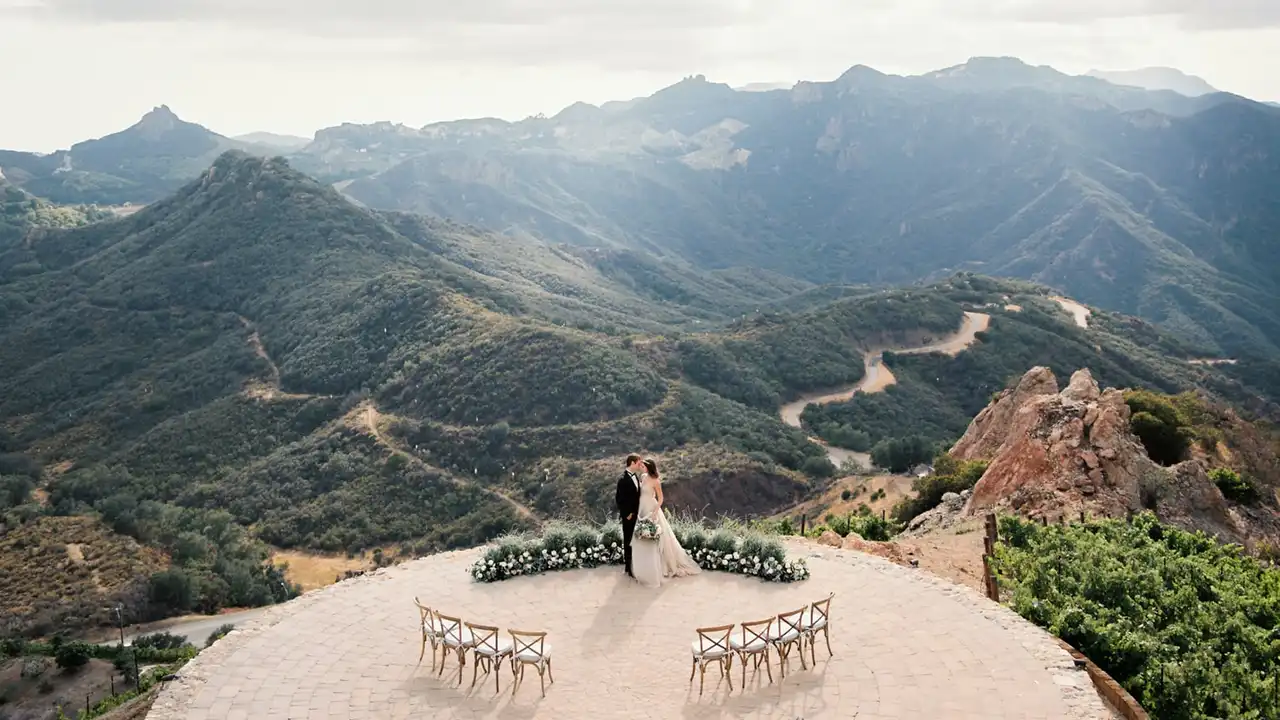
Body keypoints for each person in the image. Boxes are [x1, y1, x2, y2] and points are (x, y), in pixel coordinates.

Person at [631, 458, 701, 588]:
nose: (642, 467)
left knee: (658, 537)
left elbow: (661, 498)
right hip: (641, 508)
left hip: (651, 508)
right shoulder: (643, 477)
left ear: (649, 467)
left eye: (644, 466)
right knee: (641, 536)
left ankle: (661, 566)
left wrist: (655, 511)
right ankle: (643, 567)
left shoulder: (656, 481)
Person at [615, 453, 644, 578]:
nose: (639, 465)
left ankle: (636, 565)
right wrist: (627, 514)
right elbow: (619, 499)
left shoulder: (636, 477)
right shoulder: (622, 479)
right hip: (629, 516)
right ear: (632, 463)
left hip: (638, 514)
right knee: (628, 540)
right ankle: (628, 568)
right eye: (638, 463)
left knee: (636, 540)